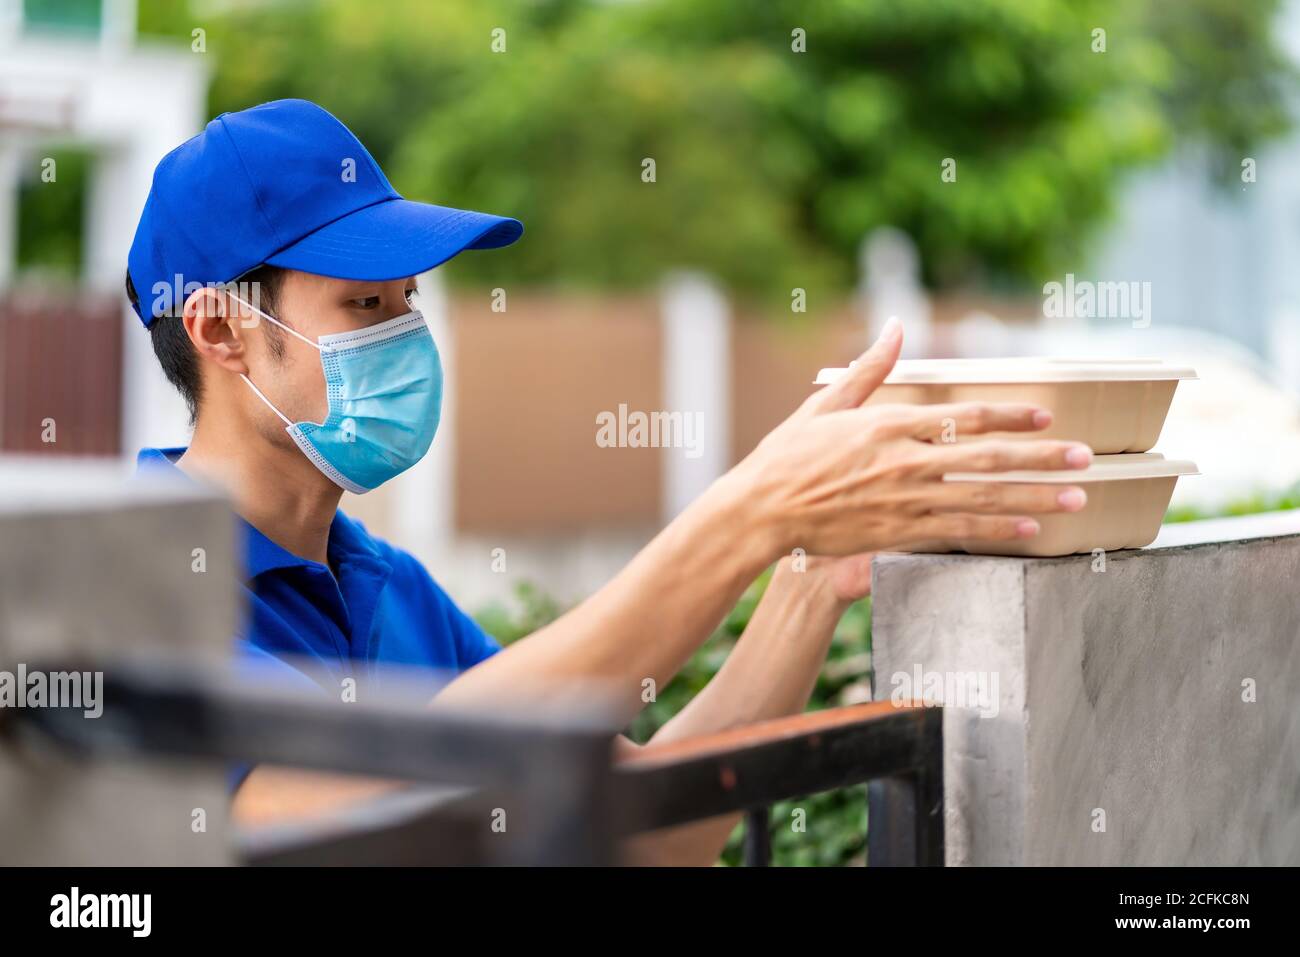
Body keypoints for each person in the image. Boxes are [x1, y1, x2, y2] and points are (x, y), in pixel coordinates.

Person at [128, 99, 1091, 863]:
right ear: (219, 328)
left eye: (407, 302)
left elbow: (641, 836)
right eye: (363, 302)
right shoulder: (132, 594)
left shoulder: (387, 589)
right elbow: (336, 801)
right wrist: (748, 511)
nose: (404, 335)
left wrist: (805, 575)